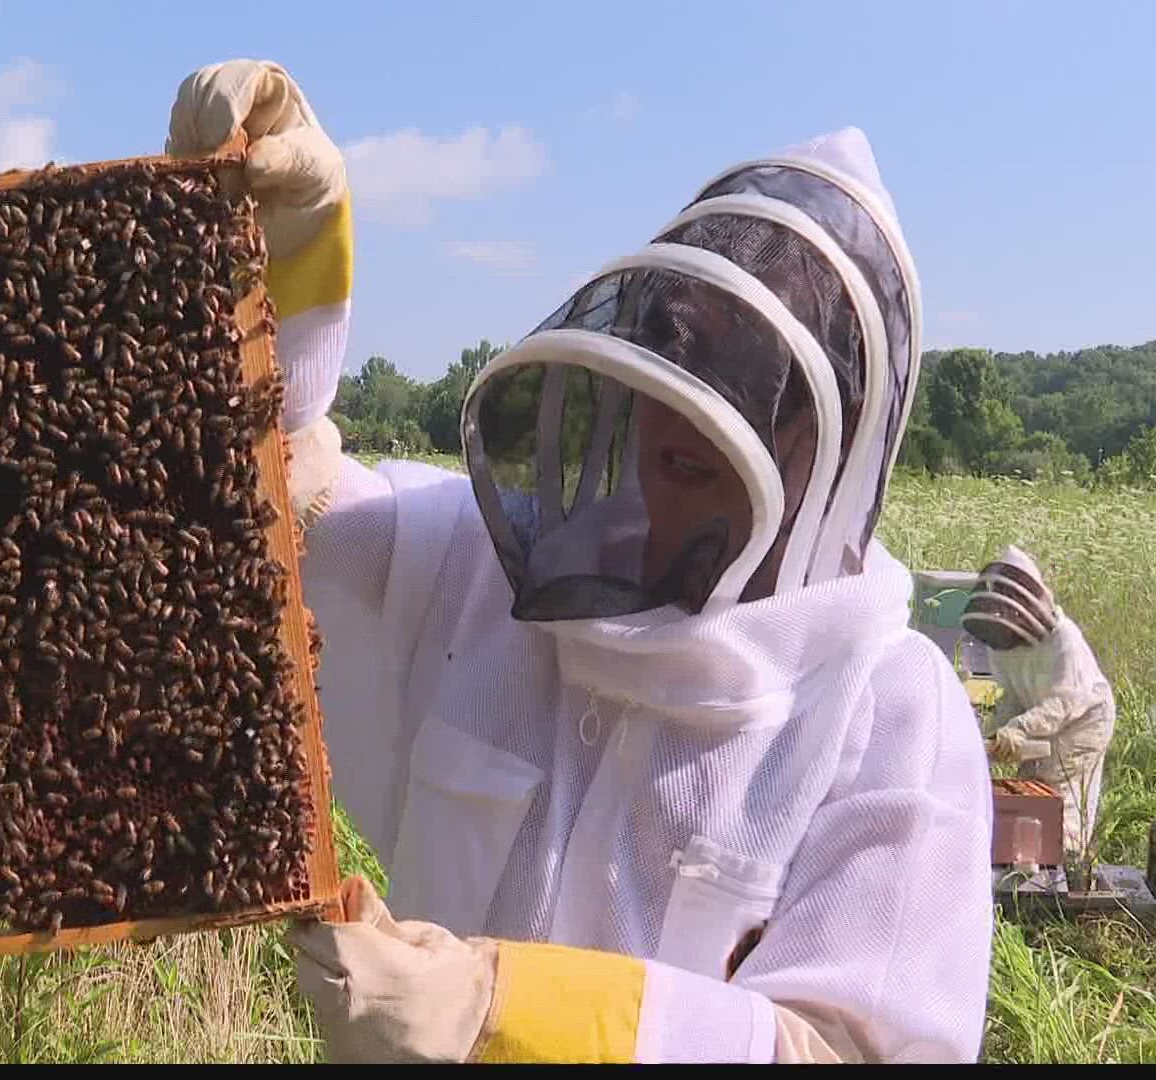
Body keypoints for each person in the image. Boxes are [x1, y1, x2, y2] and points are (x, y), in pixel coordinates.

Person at [166, 59, 994, 1064]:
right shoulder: (477, 564)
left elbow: (854, 1051)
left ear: (843, 432)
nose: (699, 395)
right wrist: (277, 256)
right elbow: (263, 495)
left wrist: (508, 1012)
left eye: (757, 377)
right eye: (683, 345)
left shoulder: (891, 716)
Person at [960, 545, 1116, 866]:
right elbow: (1013, 697)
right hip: (1043, 715)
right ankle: (1024, 858)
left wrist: (1020, 728)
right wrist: (996, 733)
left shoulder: (1064, 639)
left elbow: (1064, 702)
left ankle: (1066, 861)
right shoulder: (1001, 643)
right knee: (1028, 785)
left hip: (1085, 718)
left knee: (1060, 791)